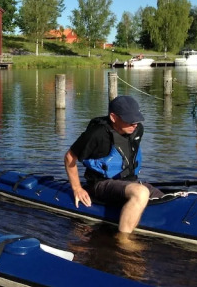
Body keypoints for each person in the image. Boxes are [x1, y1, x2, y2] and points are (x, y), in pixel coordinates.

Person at [63, 95, 163, 234]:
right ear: (114, 117)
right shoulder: (97, 133)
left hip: (128, 181)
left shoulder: (137, 129)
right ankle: (124, 241)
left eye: (136, 119)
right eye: (129, 119)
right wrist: (77, 188)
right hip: (101, 184)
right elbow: (69, 157)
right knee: (141, 192)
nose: (134, 123)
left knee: (164, 198)